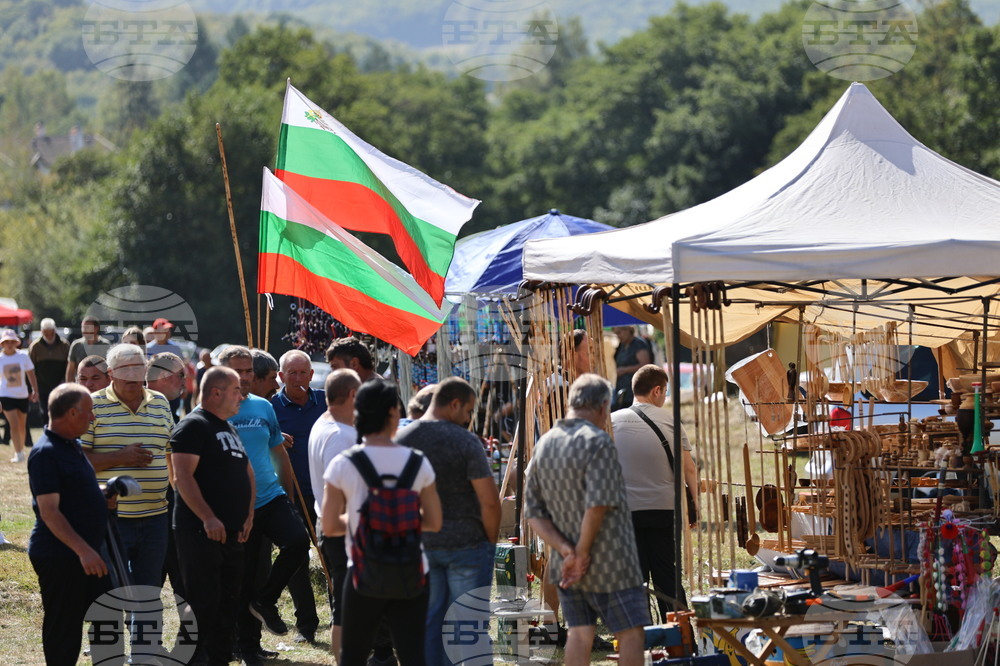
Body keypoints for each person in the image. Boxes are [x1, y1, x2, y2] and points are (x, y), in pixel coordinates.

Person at [525, 374, 649, 666]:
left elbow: (534, 514)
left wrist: (567, 551)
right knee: (631, 635)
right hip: (609, 560)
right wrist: (581, 552)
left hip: (565, 564)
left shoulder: (544, 445)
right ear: (604, 406)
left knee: (580, 635)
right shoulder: (598, 442)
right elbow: (597, 505)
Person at [322, 378, 442, 666]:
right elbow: (434, 521)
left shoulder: (344, 463)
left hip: (364, 572)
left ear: (358, 414)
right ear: (393, 414)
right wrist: (400, 520)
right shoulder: (418, 462)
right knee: (413, 656)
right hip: (411, 572)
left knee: (353, 656)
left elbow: (329, 527)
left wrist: (361, 519)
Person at [396, 377, 500, 666]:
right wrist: (490, 541)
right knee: (468, 627)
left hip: (421, 546)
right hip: (466, 544)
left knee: (429, 624)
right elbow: (489, 501)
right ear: (454, 404)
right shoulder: (465, 441)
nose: (468, 419)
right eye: (468, 411)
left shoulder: (402, 439)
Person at [81, 343, 173, 660]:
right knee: (108, 590)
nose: (135, 381)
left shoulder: (161, 403)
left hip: (155, 514)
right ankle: (108, 654)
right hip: (109, 519)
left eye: (139, 374)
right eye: (127, 376)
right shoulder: (91, 405)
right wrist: (121, 457)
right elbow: (75, 460)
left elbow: (170, 450)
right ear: (111, 375)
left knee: (148, 589)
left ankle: (145, 653)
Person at [219, 346, 309, 663]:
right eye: (237, 371)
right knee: (246, 576)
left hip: (271, 496)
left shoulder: (262, 406)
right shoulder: (211, 409)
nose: (244, 377)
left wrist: (291, 499)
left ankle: (266, 600)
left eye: (248, 372)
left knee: (298, 541)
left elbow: (278, 452)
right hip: (235, 506)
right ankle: (247, 647)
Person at [171, 366, 255, 666]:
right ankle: (188, 660)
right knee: (203, 604)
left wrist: (247, 515)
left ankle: (218, 660)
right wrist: (207, 517)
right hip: (199, 531)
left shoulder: (228, 427)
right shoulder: (193, 426)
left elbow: (246, 471)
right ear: (216, 392)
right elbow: (182, 477)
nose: (242, 397)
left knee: (227, 605)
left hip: (232, 531)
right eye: (236, 390)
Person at [27, 383, 110, 666]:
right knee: (64, 628)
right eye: (89, 412)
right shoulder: (46, 452)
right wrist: (83, 550)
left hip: (86, 552)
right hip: (61, 554)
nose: (93, 418)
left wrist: (104, 495)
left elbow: (75, 488)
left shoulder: (71, 444)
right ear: (72, 413)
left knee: (106, 613)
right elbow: (50, 512)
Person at [610, 364, 699, 619]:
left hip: (626, 513)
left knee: (635, 578)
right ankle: (680, 636)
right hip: (664, 510)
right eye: (666, 391)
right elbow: (689, 469)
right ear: (657, 390)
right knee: (667, 577)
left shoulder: (612, 421)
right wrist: (695, 504)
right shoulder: (671, 421)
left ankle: (644, 637)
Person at [270, 349, 326, 644]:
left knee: (332, 557)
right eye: (291, 372)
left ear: (312, 375)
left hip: (325, 493)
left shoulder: (326, 403)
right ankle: (306, 624)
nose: (298, 378)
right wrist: (274, 439)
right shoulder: (270, 408)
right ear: (280, 377)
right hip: (289, 495)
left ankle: (344, 619)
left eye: (303, 372)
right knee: (295, 560)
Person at [308, 368, 361, 658]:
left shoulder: (324, 422)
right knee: (347, 605)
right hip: (343, 526)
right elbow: (340, 493)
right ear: (353, 395)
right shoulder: (341, 435)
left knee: (345, 604)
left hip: (333, 524)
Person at [1, 328, 39, 463]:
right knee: (14, 424)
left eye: (12, 341)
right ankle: (18, 453)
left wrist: (35, 390)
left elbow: (31, 374)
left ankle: (20, 449)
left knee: (22, 426)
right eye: (6, 342)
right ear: (2, 344)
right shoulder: (0, 359)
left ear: (16, 342)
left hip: (22, 396)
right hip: (5, 396)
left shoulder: (23, 356)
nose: (9, 344)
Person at [28, 318, 70, 424]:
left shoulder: (64, 345)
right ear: (42, 332)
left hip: (60, 386)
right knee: (45, 412)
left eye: (51, 333)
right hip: (42, 386)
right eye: (46, 333)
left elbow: (68, 366)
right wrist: (32, 388)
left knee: (60, 411)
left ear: (54, 331)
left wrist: (65, 380)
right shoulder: (35, 346)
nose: (49, 336)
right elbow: (30, 368)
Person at [612, 326, 652, 410]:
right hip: (623, 391)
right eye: (616, 334)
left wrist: (625, 370)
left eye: (619, 332)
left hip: (636, 391)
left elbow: (645, 365)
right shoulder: (622, 345)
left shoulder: (638, 344)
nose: (618, 336)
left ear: (628, 330)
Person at [65, 316, 111, 383]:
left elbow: (109, 369)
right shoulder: (76, 345)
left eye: (88, 327)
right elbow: (70, 370)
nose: (84, 330)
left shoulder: (106, 345)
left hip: (100, 386)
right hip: (81, 385)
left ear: (96, 328)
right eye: (83, 327)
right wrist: (69, 387)